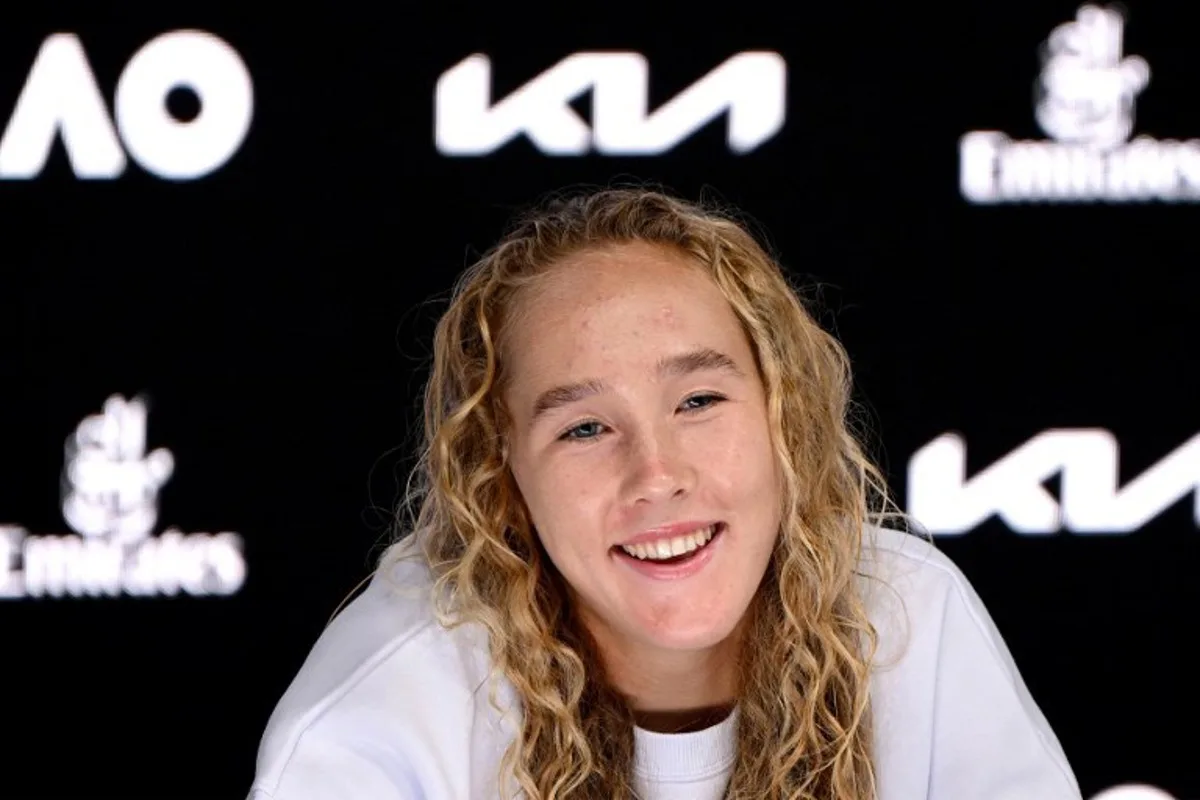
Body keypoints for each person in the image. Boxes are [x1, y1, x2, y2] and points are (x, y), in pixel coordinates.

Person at [248, 187, 1082, 799]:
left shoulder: (906, 618)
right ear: (499, 474)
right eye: (582, 428)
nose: (656, 474)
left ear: (782, 416)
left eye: (698, 402)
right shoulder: (395, 691)